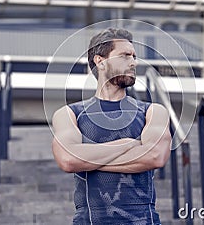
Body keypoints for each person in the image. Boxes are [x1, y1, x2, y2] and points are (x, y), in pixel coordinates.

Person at [51, 28, 171, 224]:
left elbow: (155, 156)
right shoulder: (69, 114)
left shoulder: (153, 111)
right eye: (125, 56)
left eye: (134, 56)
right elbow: (69, 160)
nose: (133, 62)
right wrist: (128, 144)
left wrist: (89, 160)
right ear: (100, 61)